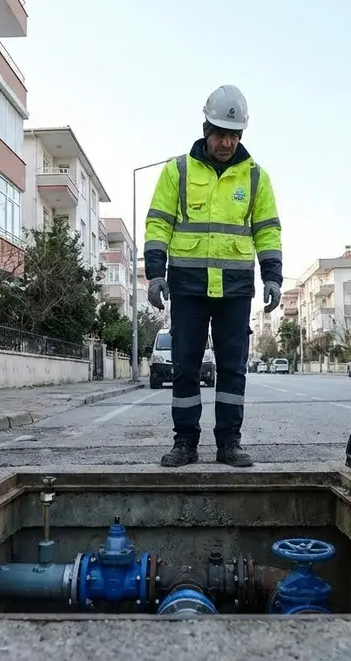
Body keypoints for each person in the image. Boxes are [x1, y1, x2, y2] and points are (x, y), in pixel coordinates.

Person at [143, 84, 283, 468]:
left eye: (234, 135)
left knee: (233, 368)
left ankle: (229, 443)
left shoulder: (256, 177)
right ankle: (185, 442)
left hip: (236, 290)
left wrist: (273, 277)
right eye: (221, 133)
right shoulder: (178, 171)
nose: (227, 142)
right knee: (186, 366)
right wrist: (155, 274)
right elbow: (158, 224)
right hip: (188, 286)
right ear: (206, 129)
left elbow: (267, 231)